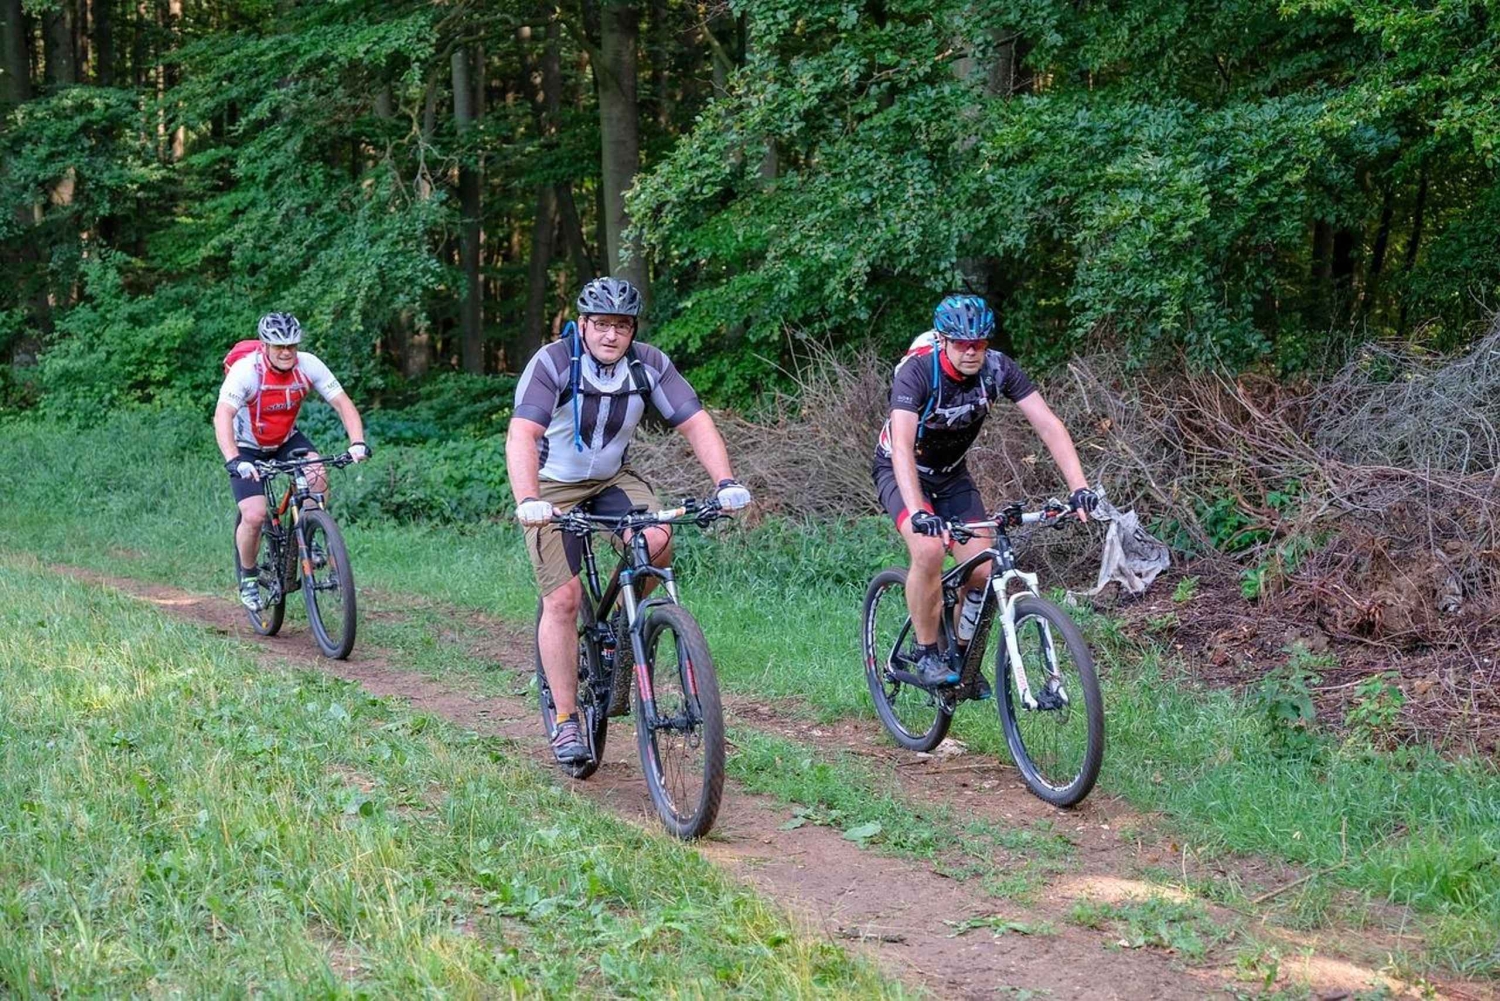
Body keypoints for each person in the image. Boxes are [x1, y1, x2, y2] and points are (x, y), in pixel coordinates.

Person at [506, 276, 752, 764]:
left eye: (621, 326)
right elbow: (522, 435)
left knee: (657, 542)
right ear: (583, 325)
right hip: (551, 486)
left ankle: (624, 630)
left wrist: (725, 482)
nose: (611, 335)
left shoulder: (649, 363)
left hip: (612, 481)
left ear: (632, 329)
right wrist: (529, 498)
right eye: (601, 324)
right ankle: (565, 719)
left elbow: (695, 421)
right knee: (563, 598)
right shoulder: (553, 364)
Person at [872, 294, 1096, 690]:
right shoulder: (919, 373)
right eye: (961, 343)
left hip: (951, 476)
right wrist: (918, 512)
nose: (971, 352)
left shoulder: (998, 370)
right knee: (927, 549)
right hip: (900, 470)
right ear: (943, 340)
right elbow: (902, 445)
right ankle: (926, 652)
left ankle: (961, 657)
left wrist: (1079, 487)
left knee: (983, 570)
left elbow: (1048, 425)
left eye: (979, 343)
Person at [214, 312, 370, 611]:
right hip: (246, 447)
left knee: (317, 476)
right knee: (255, 515)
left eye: (291, 345)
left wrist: (357, 442)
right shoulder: (246, 371)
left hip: (285, 439)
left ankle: (309, 533)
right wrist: (234, 460)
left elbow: (342, 403)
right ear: (264, 346)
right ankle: (248, 577)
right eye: (278, 346)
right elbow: (223, 415)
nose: (286, 352)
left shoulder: (309, 364)